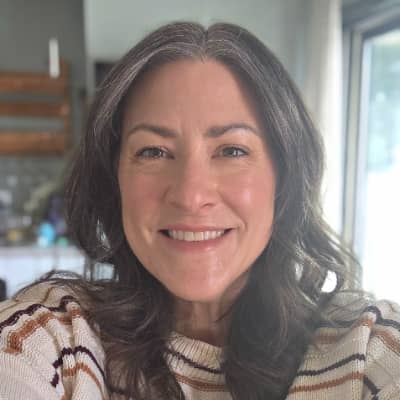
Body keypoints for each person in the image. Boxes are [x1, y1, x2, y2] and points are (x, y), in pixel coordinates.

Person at [0, 21, 399, 400]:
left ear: (286, 176)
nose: (191, 196)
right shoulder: (50, 341)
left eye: (232, 151)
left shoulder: (368, 350)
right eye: (153, 151)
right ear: (114, 176)